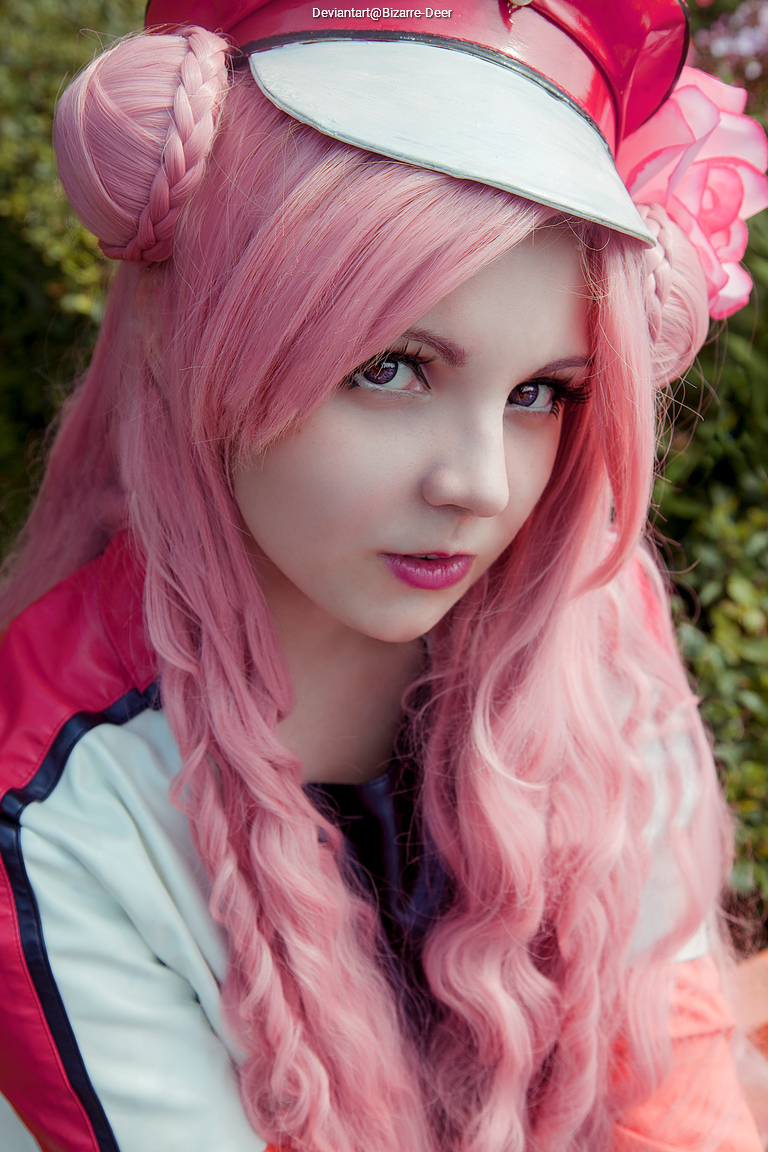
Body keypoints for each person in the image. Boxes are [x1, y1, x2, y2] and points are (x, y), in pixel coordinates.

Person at [0, 1, 767, 1149]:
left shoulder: (592, 615)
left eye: (539, 394)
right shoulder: (49, 804)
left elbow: (680, 1075)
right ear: (191, 333)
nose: (482, 486)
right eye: (395, 368)